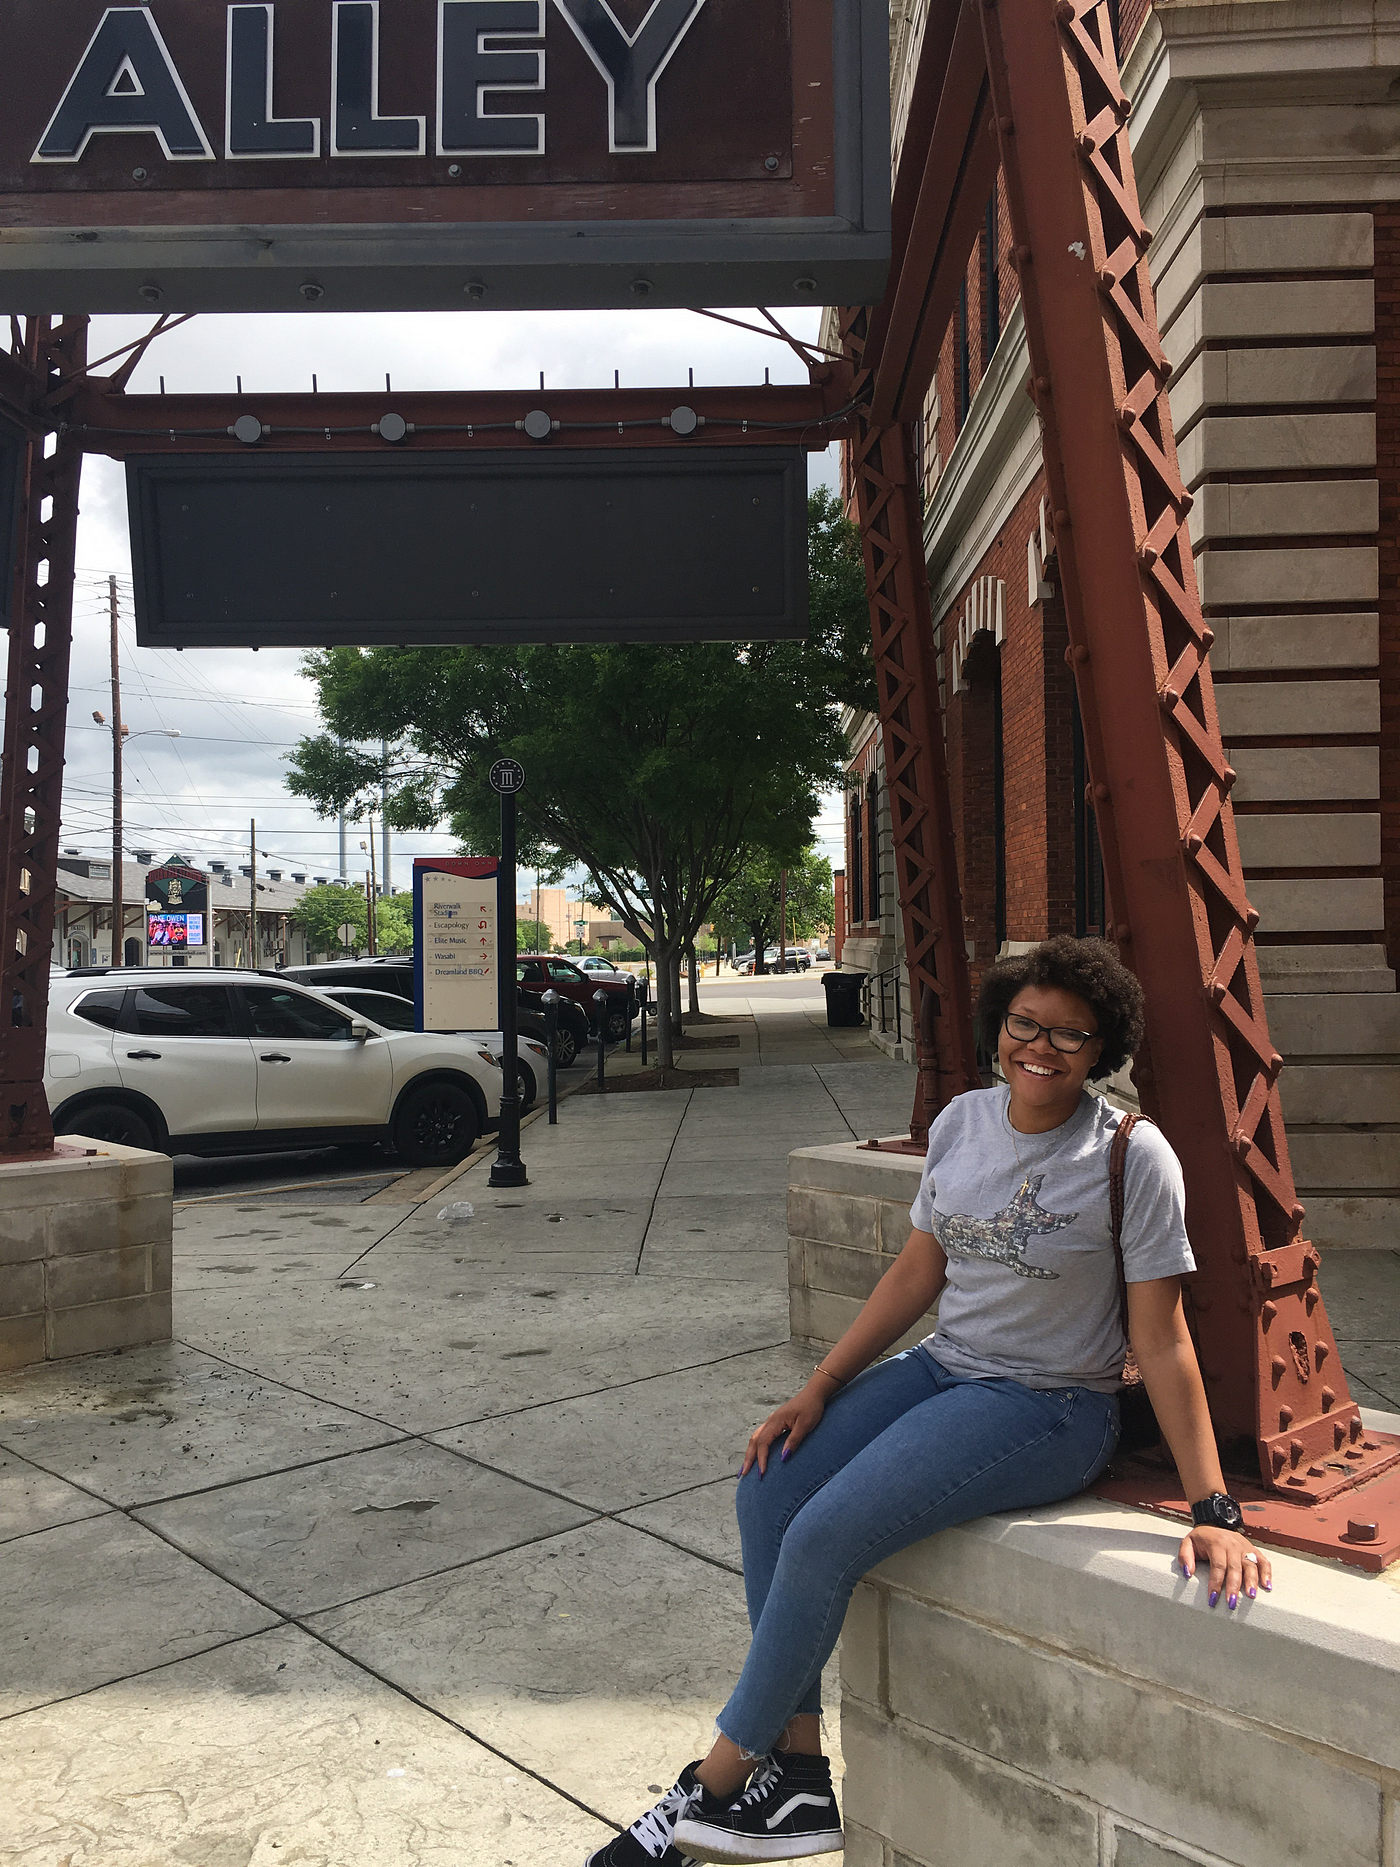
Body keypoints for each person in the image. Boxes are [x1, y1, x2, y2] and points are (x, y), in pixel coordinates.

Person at [586, 936, 1273, 1867]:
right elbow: (918, 1272)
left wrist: (1213, 1508)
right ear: (1001, 1025)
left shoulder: (1130, 1155)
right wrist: (818, 1388)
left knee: (825, 1533)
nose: (1042, 1047)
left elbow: (1162, 1338)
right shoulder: (961, 1122)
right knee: (769, 1485)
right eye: (1025, 1023)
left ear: (1103, 1047)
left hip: (1049, 1405)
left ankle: (710, 1787)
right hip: (947, 1365)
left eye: (1071, 1034)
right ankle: (794, 1774)